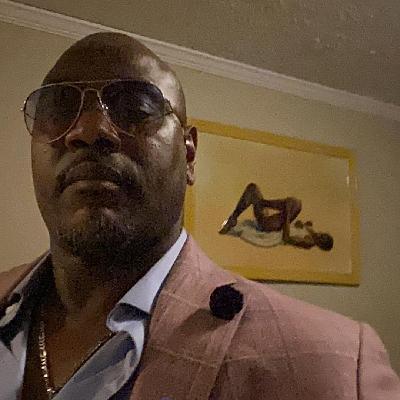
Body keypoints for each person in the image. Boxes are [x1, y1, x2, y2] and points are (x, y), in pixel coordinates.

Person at [0, 32, 399, 400]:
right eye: (58, 108)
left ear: (189, 155)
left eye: (136, 108)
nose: (88, 131)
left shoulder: (336, 369)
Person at [219, 182, 334, 251]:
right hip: (274, 221)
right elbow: (300, 225)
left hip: (272, 228)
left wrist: (287, 215)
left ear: (320, 245)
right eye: (323, 235)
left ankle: (264, 203)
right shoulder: (311, 231)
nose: (320, 236)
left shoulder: (308, 243)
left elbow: (286, 238)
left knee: (295, 204)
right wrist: (301, 223)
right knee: (253, 189)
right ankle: (233, 217)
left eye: (322, 240)